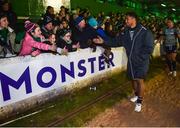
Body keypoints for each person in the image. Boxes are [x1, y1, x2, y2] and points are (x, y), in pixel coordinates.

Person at [93, 12, 154, 112]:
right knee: (133, 80)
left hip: (141, 62)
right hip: (130, 61)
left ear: (133, 19)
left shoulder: (145, 32)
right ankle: (136, 95)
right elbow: (116, 41)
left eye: (127, 19)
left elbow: (149, 48)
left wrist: (141, 58)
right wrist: (103, 42)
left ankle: (139, 101)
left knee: (139, 80)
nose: (125, 21)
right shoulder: (125, 31)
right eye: (125, 19)